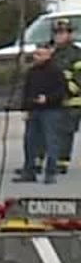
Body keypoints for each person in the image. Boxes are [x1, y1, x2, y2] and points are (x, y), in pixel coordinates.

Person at [18, 40, 73, 184]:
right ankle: (29, 171)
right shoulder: (32, 72)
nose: (37, 57)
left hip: (51, 111)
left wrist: (47, 99)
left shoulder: (56, 71)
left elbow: (62, 92)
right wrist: (25, 108)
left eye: (41, 54)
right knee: (30, 141)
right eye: (36, 54)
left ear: (49, 54)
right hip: (33, 111)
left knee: (51, 142)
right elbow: (26, 90)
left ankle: (50, 173)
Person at [51, 18, 80, 176]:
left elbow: (78, 79)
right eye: (57, 33)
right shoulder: (54, 53)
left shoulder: (76, 54)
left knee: (65, 132)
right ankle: (53, 161)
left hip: (72, 101)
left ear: (70, 34)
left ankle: (61, 163)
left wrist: (67, 90)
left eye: (63, 33)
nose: (59, 36)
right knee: (54, 132)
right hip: (56, 101)